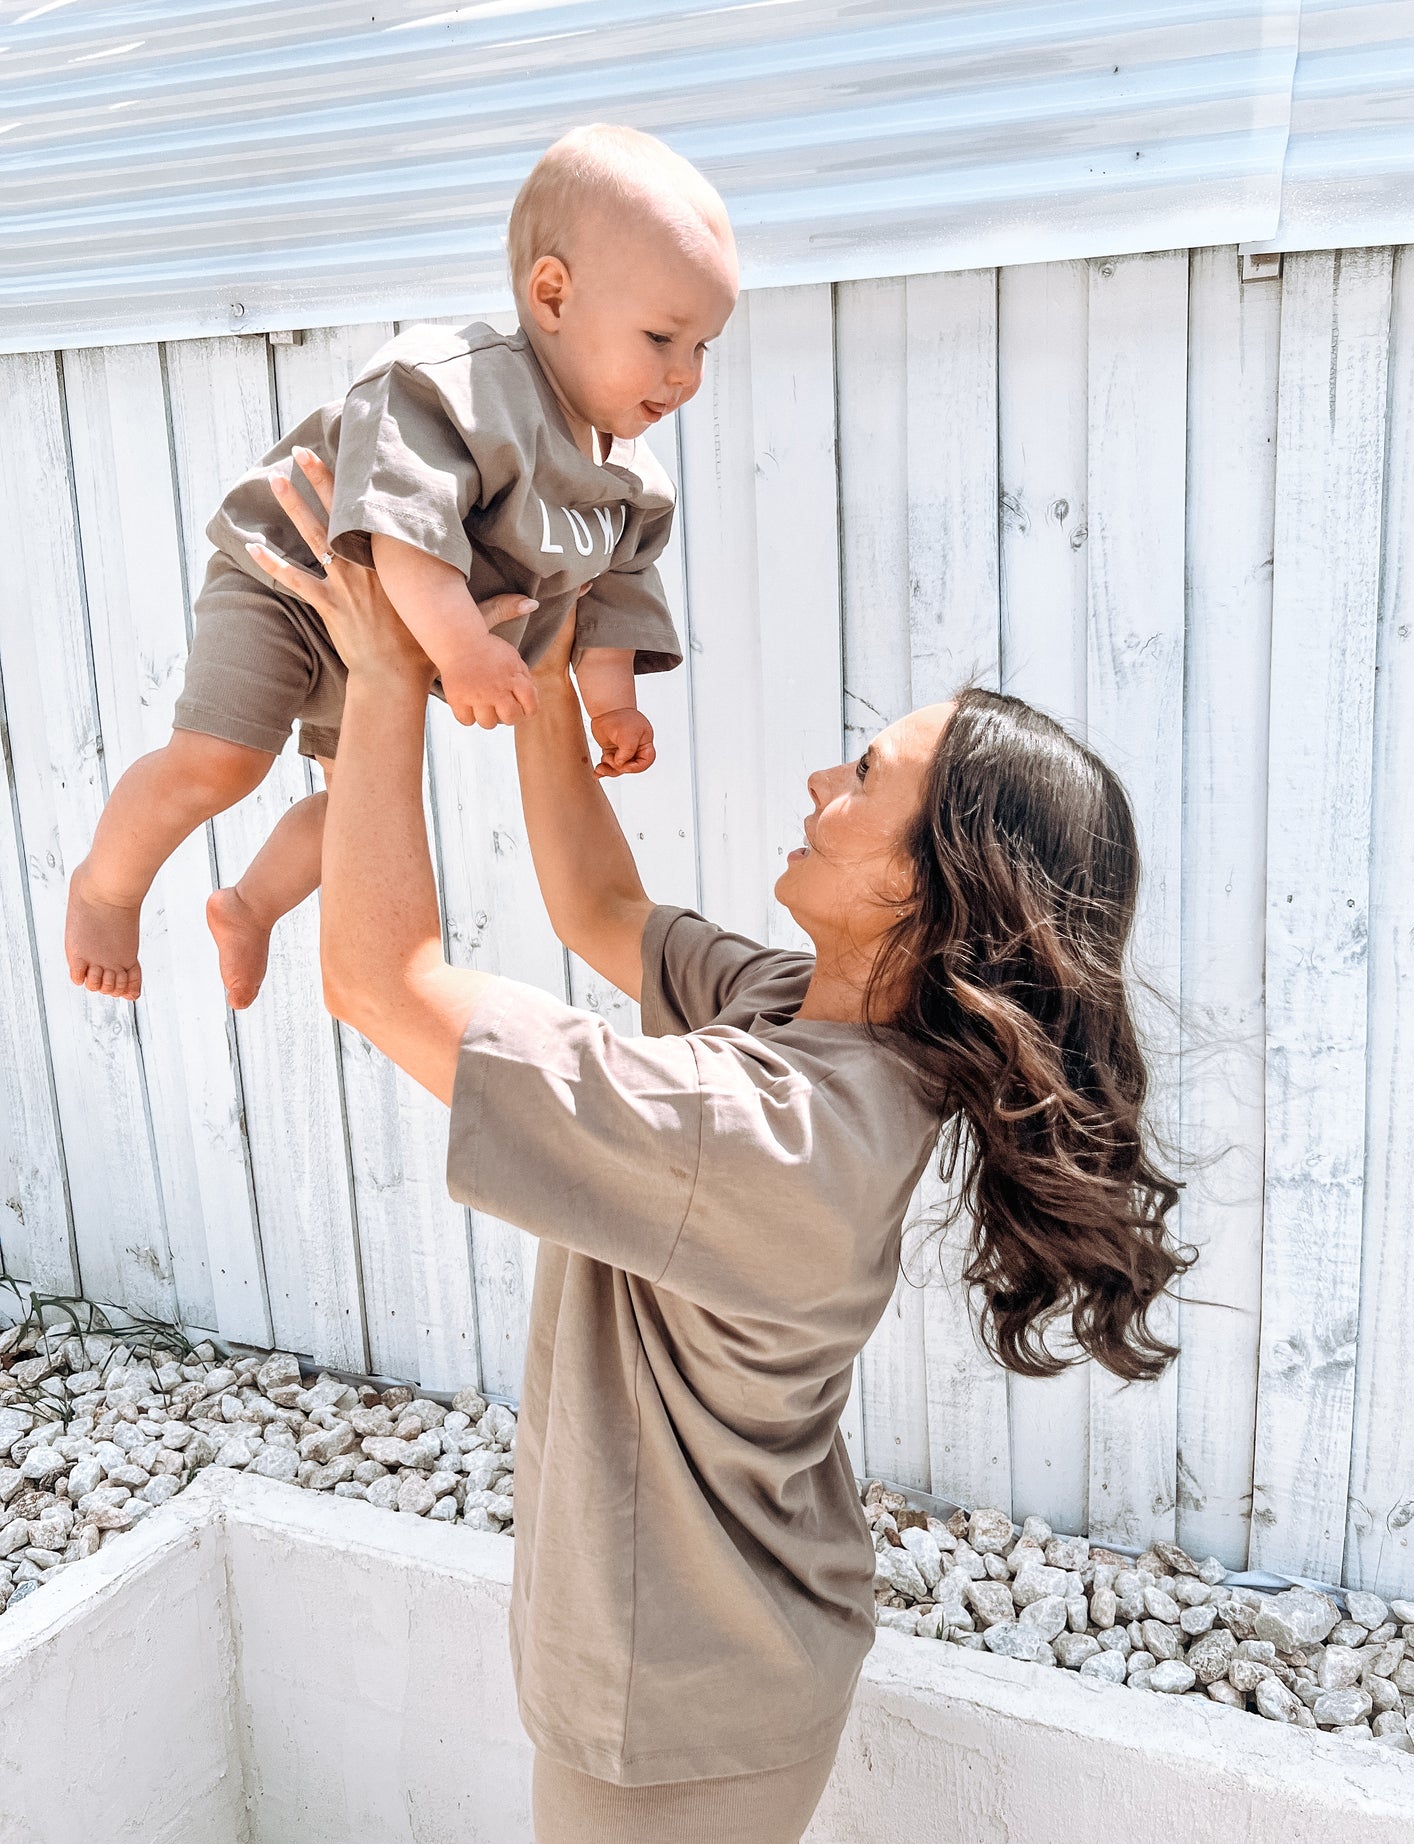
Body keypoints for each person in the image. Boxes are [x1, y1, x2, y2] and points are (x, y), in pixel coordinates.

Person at [248, 452, 1193, 1844]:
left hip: (679, 1718)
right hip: (727, 1658)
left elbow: (383, 982)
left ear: (930, 895)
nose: (822, 777)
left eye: (865, 774)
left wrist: (387, 679)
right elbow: (597, 898)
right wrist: (543, 671)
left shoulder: (761, 1129)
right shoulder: (814, 1017)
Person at [64, 123, 737, 1008]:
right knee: (222, 762)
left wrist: (611, 701)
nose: (684, 375)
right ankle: (106, 888)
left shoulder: (624, 482)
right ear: (552, 295)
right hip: (292, 584)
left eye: (702, 348)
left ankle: (248, 906)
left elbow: (611, 586)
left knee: (359, 815)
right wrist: (462, 651)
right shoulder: (458, 386)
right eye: (661, 337)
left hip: (389, 645)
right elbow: (403, 531)